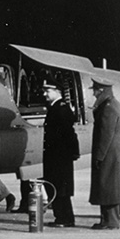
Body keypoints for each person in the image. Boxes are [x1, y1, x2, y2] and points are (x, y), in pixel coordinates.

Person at [42, 81, 80, 227]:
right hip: (56, 156)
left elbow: (68, 134)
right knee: (57, 186)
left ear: (57, 91)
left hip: (59, 157)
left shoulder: (61, 109)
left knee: (60, 188)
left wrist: (66, 154)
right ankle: (62, 217)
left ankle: (65, 218)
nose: (45, 94)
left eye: (48, 91)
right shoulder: (56, 108)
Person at [89, 78, 120, 230]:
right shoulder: (111, 104)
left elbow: (105, 135)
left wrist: (99, 156)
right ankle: (107, 220)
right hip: (110, 153)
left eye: (95, 90)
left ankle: (111, 221)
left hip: (108, 153)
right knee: (107, 186)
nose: (94, 94)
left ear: (101, 90)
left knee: (108, 187)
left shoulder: (108, 107)